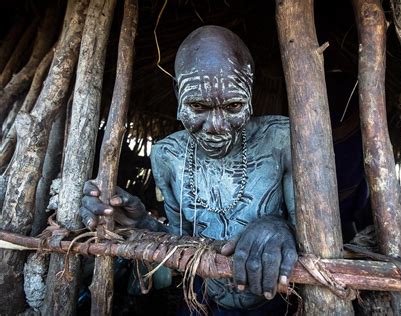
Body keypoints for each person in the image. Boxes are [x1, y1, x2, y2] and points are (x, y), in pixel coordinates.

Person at [81, 25, 299, 314]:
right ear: (176, 93)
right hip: (202, 300)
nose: (216, 127)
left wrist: (279, 226)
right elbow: (181, 242)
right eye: (198, 106)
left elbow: (317, 240)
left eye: (234, 106)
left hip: (276, 303)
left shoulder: (282, 139)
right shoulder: (167, 155)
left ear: (250, 92)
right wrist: (141, 224)